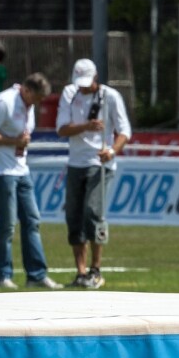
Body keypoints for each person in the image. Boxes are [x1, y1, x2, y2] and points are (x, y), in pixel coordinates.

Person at [0, 73, 63, 291]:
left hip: (21, 168)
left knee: (32, 219)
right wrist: (13, 141)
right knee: (7, 224)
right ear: (26, 90)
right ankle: (2, 275)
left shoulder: (28, 103)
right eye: (36, 98)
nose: (37, 103)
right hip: (1, 170)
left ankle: (36, 274)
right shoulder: (4, 102)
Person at [56, 59, 131, 289]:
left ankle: (96, 270)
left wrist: (111, 151)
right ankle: (80, 272)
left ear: (96, 78)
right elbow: (61, 129)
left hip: (100, 164)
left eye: (87, 83)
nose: (83, 87)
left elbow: (124, 131)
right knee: (73, 217)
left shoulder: (110, 96)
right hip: (75, 162)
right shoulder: (69, 93)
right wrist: (86, 126)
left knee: (93, 212)